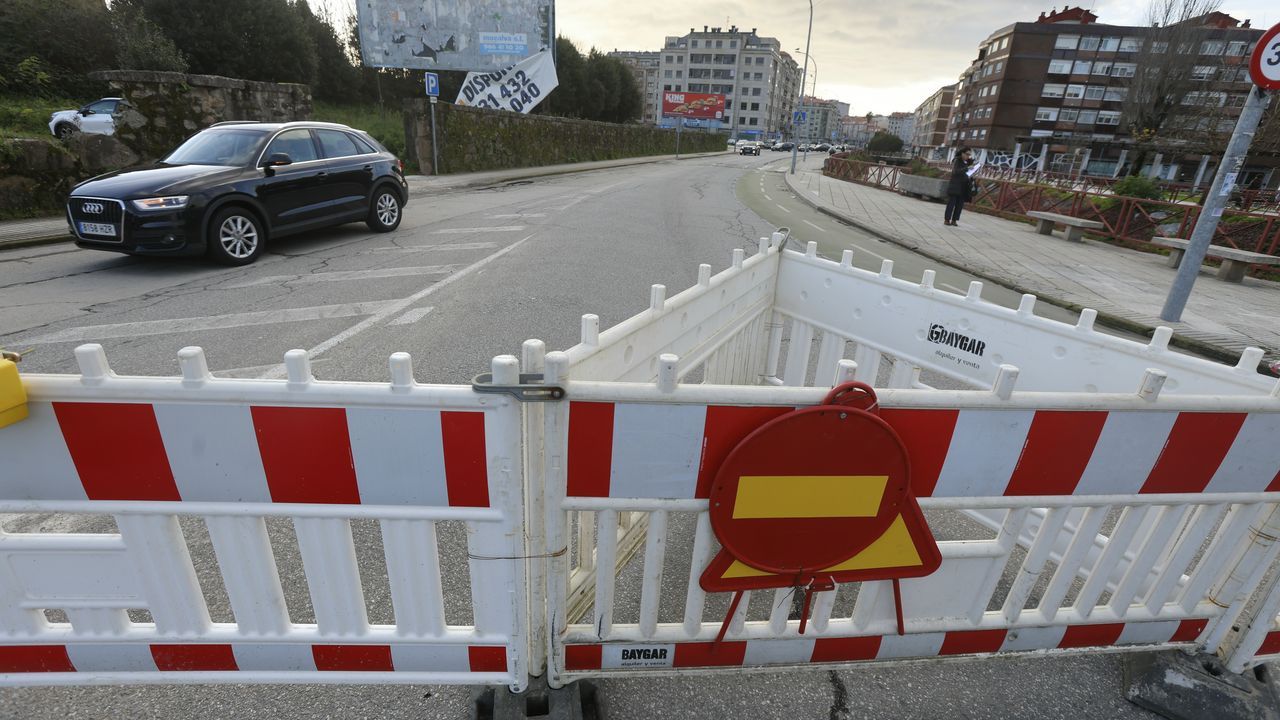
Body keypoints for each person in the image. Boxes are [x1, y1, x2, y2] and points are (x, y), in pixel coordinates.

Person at [945, 147, 974, 226]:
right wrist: (967, 168)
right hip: (955, 185)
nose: (968, 156)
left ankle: (954, 220)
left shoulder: (968, 162)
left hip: (964, 186)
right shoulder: (957, 160)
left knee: (959, 205)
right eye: (967, 154)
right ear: (962, 153)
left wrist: (971, 172)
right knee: (951, 204)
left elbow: (967, 172)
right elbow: (955, 172)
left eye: (969, 155)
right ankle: (947, 219)